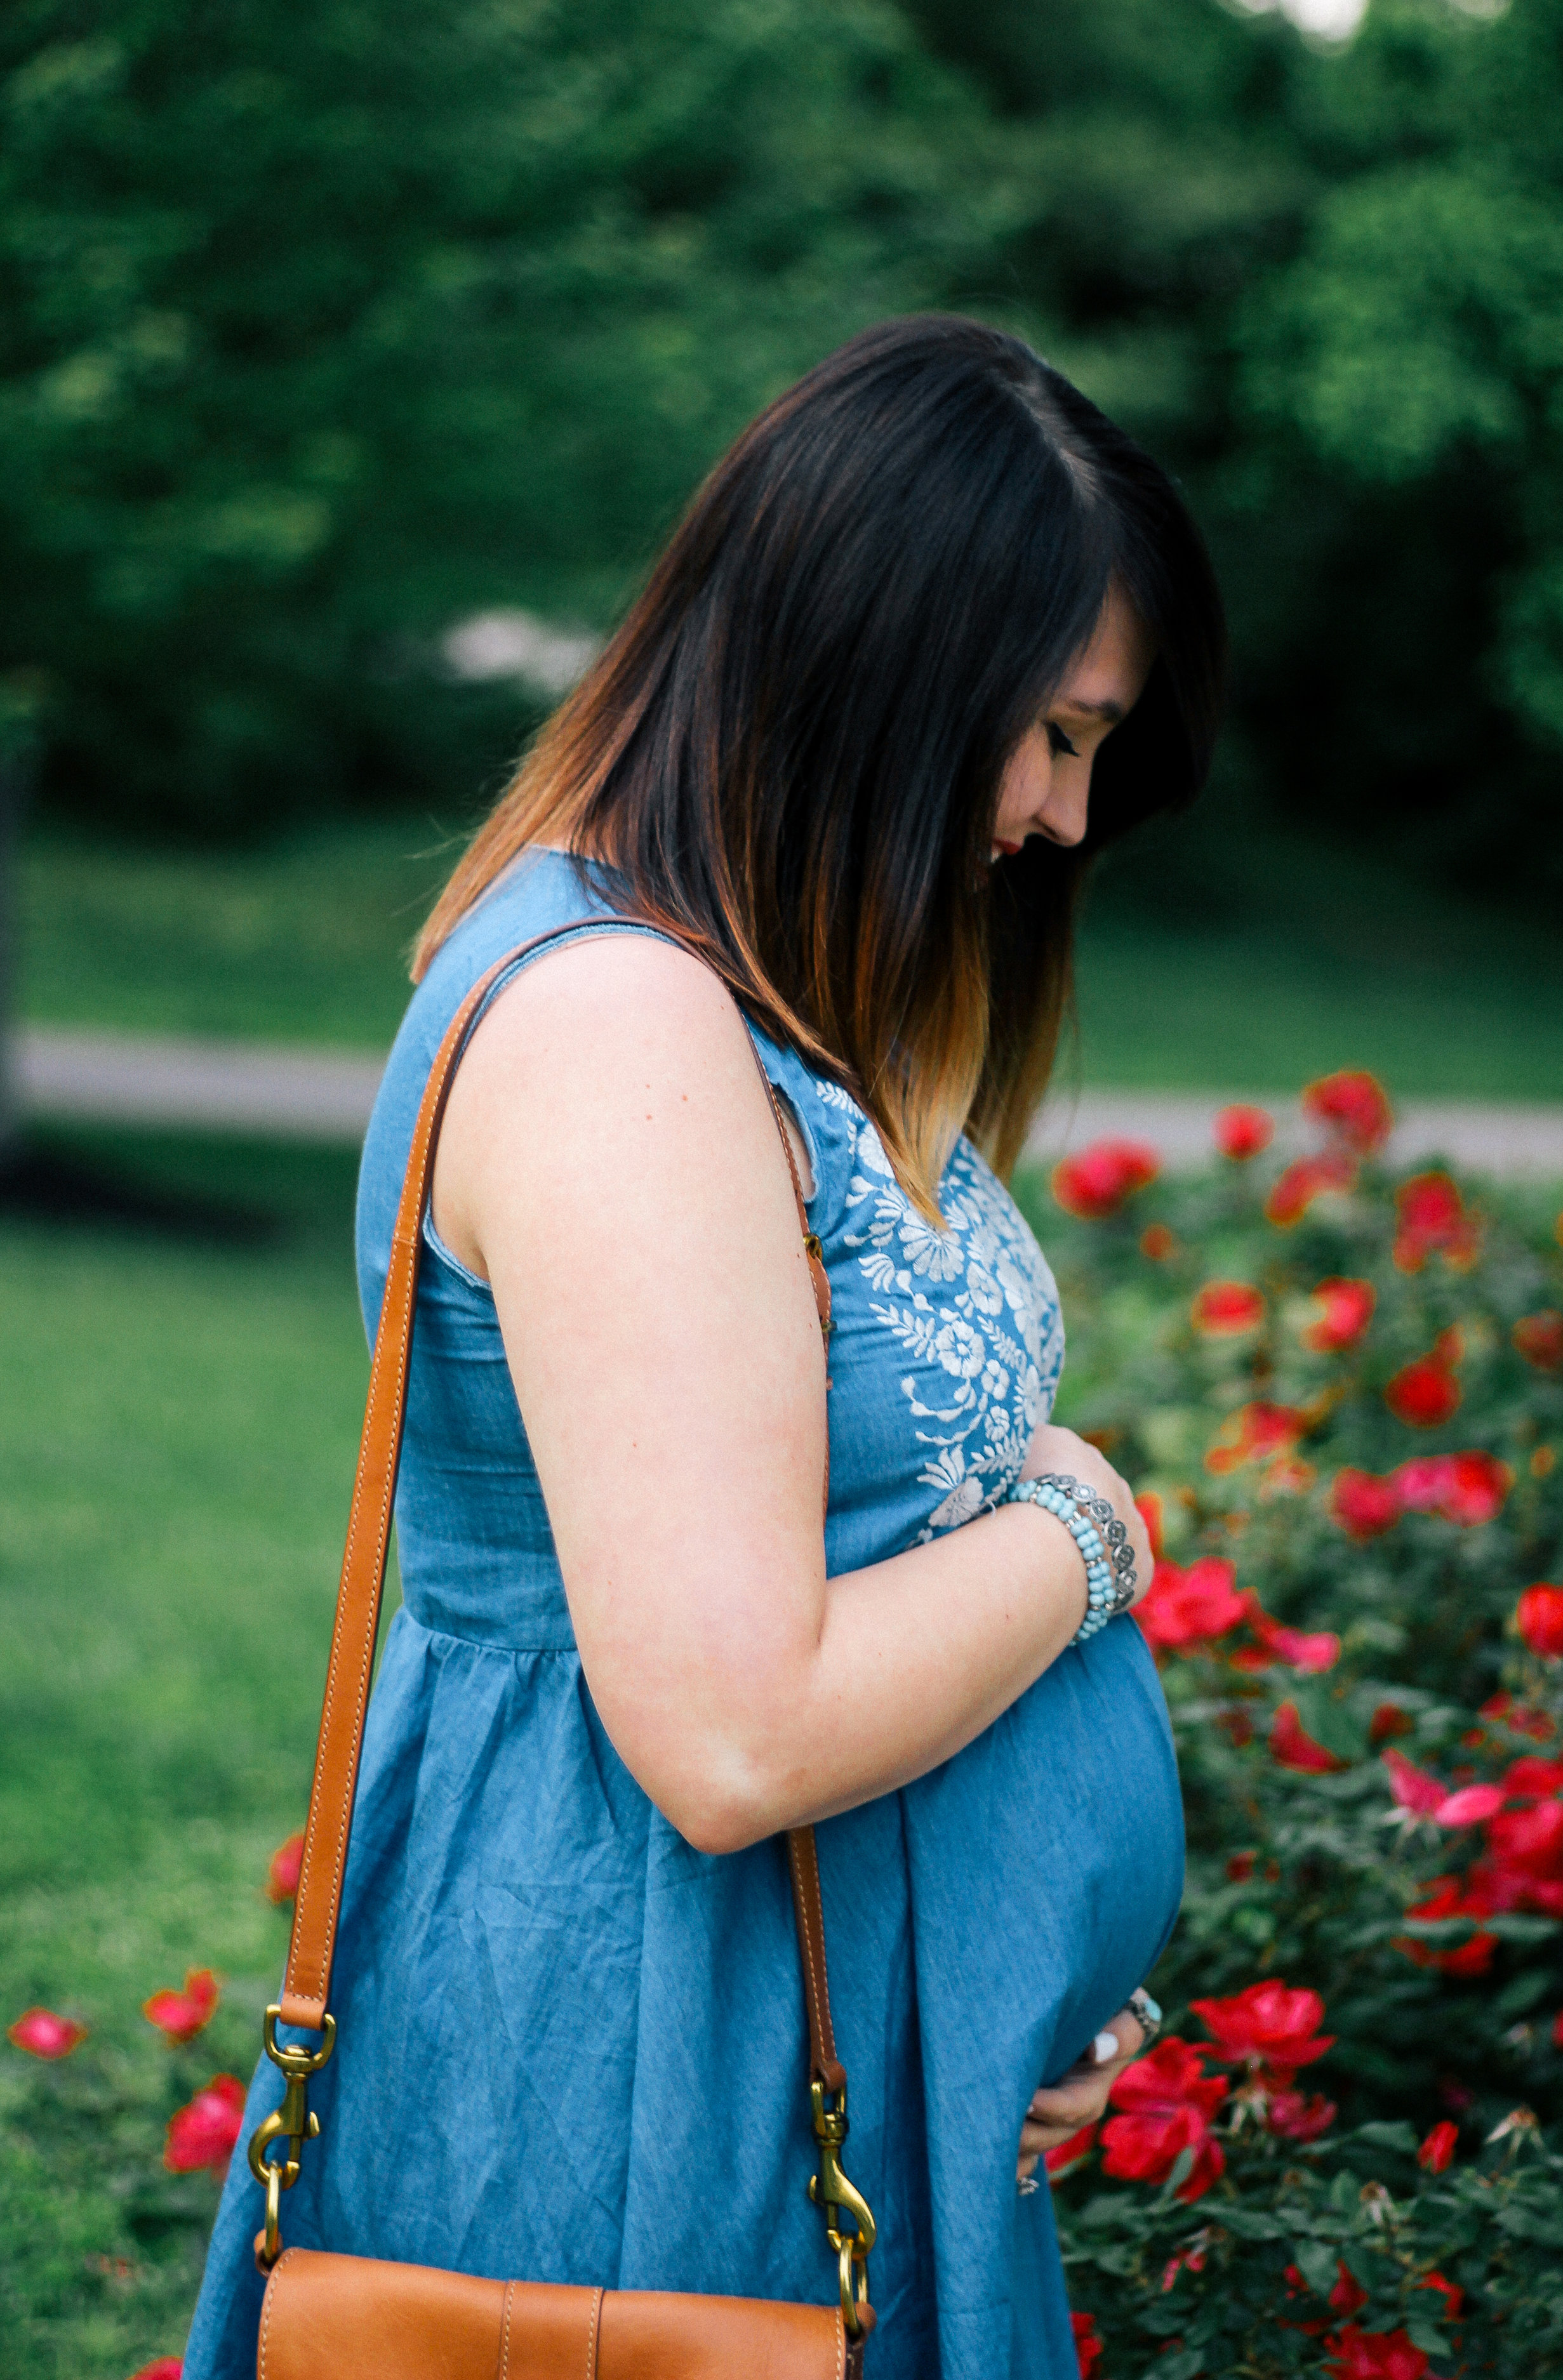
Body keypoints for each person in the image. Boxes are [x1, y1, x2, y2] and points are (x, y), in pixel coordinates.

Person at [184, 313, 1225, 2380]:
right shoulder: (619, 1037)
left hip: (827, 2023)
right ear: (875, 678)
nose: (1061, 814)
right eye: (1049, 732)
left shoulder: (754, 997)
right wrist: (1091, 1522)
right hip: (660, 2053)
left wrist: (1037, 1975)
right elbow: (735, 1737)